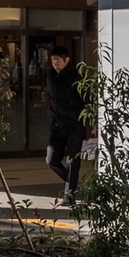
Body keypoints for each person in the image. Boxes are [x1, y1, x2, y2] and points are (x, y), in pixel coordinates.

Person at [45, 45, 86, 201]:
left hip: (74, 124)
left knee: (73, 160)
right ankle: (72, 183)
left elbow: (85, 99)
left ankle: (70, 195)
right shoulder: (50, 75)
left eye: (58, 60)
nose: (55, 63)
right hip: (57, 125)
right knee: (51, 160)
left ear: (66, 60)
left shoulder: (76, 77)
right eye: (53, 60)